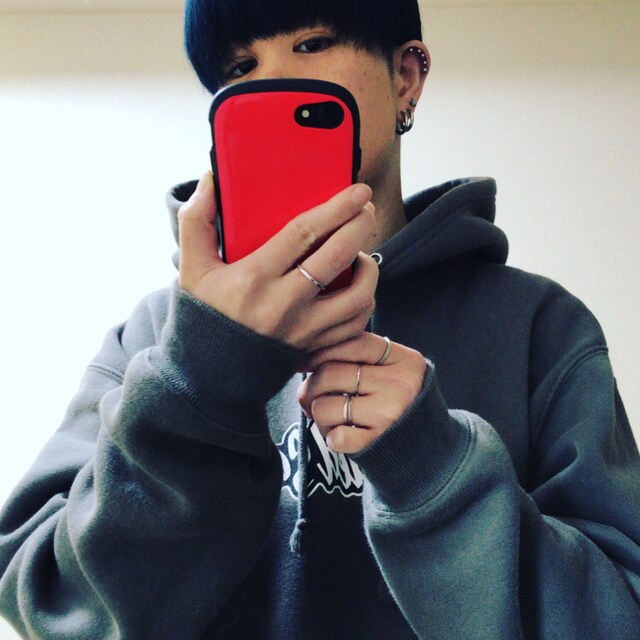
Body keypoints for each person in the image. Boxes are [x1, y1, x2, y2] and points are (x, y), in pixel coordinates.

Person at [1, 0, 639, 638]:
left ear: (406, 77)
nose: (272, 81)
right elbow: (52, 605)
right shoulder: (157, 337)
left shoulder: (540, 328)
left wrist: (435, 470)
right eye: (240, 66)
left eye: (311, 43)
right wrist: (200, 380)